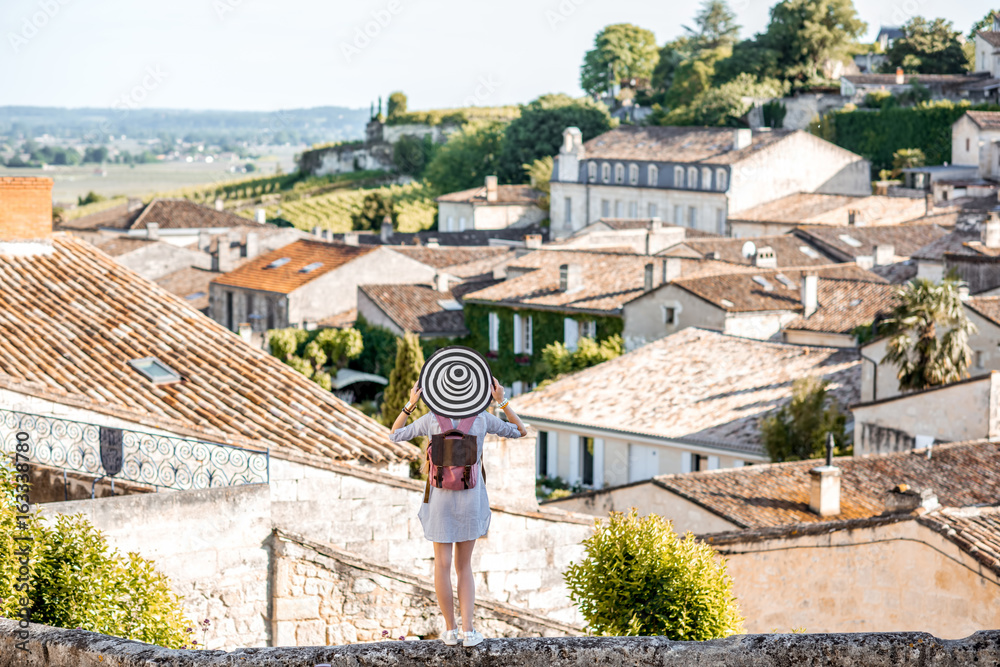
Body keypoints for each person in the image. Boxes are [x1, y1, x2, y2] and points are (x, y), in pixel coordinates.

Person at [389, 376, 527, 648]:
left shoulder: (431, 419)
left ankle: (450, 632)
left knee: (441, 566)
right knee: (464, 567)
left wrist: (410, 404)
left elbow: (395, 434)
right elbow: (520, 430)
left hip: (439, 503)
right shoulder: (482, 419)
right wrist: (502, 401)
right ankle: (468, 632)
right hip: (470, 501)